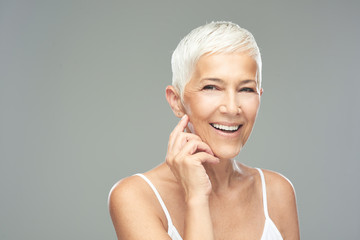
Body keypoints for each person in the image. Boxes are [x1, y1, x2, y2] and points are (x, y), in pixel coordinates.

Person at [108, 21, 300, 240]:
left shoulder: (278, 192)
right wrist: (197, 197)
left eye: (246, 89)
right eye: (211, 87)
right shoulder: (135, 197)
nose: (231, 107)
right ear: (176, 101)